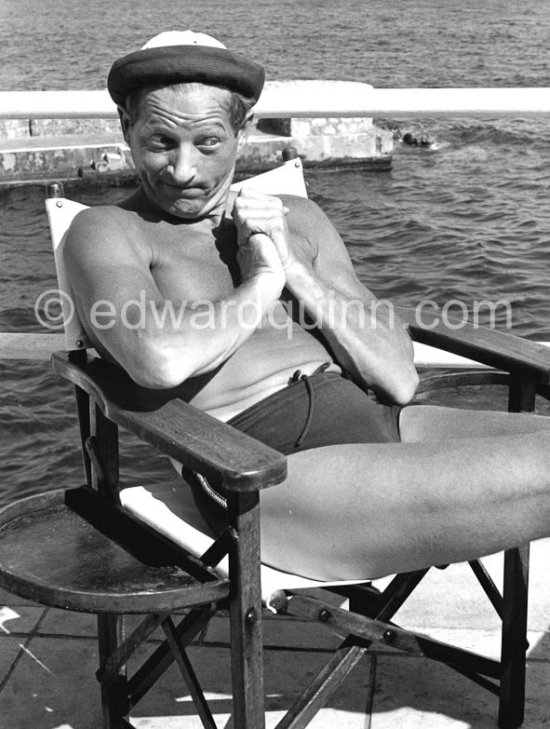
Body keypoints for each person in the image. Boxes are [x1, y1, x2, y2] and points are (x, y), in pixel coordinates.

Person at [65, 30, 550, 582]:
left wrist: (296, 267)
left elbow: (397, 376)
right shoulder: (110, 231)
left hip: (386, 423)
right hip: (265, 473)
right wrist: (262, 284)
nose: (182, 170)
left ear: (242, 133)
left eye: (207, 143)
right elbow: (159, 360)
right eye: (159, 142)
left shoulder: (296, 216)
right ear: (127, 128)